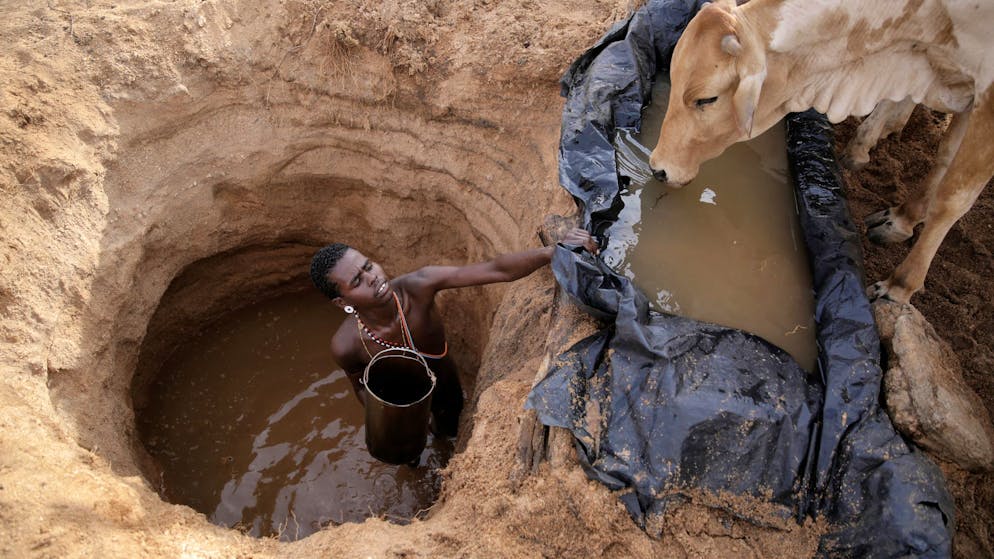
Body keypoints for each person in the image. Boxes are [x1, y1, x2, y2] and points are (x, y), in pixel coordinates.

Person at [309, 228, 597, 437]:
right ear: (342, 302)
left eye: (369, 266)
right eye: (358, 280)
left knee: (449, 432)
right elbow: (360, 386)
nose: (374, 278)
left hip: (446, 386)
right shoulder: (345, 345)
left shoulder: (418, 286)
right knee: (404, 453)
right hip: (401, 405)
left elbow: (496, 270)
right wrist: (388, 419)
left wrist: (551, 252)